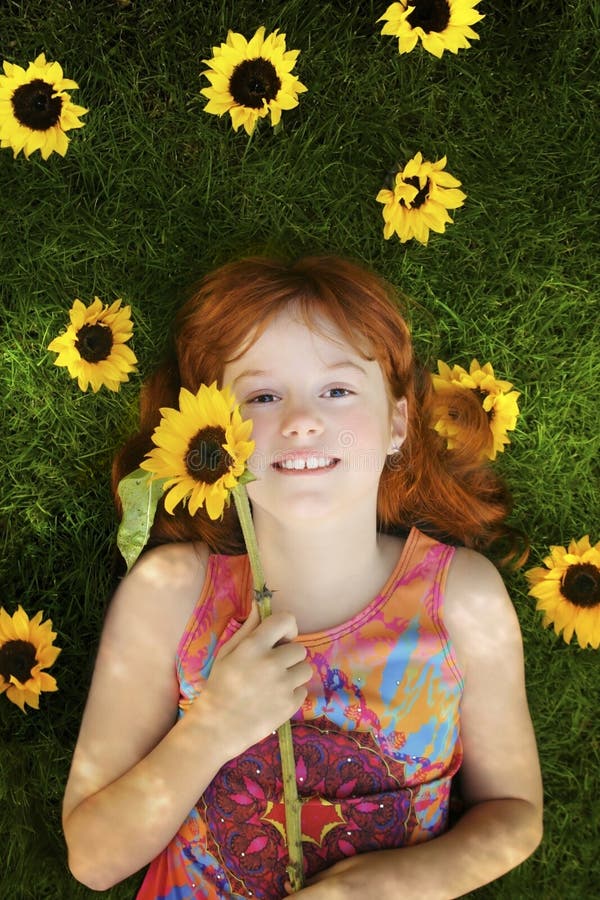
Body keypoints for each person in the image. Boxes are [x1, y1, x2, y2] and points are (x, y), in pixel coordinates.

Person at [62, 255, 543, 899]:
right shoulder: (171, 593)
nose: (299, 420)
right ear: (215, 435)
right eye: (262, 396)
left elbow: (514, 812)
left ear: (398, 421)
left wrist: (377, 889)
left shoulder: (462, 597)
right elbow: (93, 860)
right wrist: (214, 727)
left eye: (338, 390)